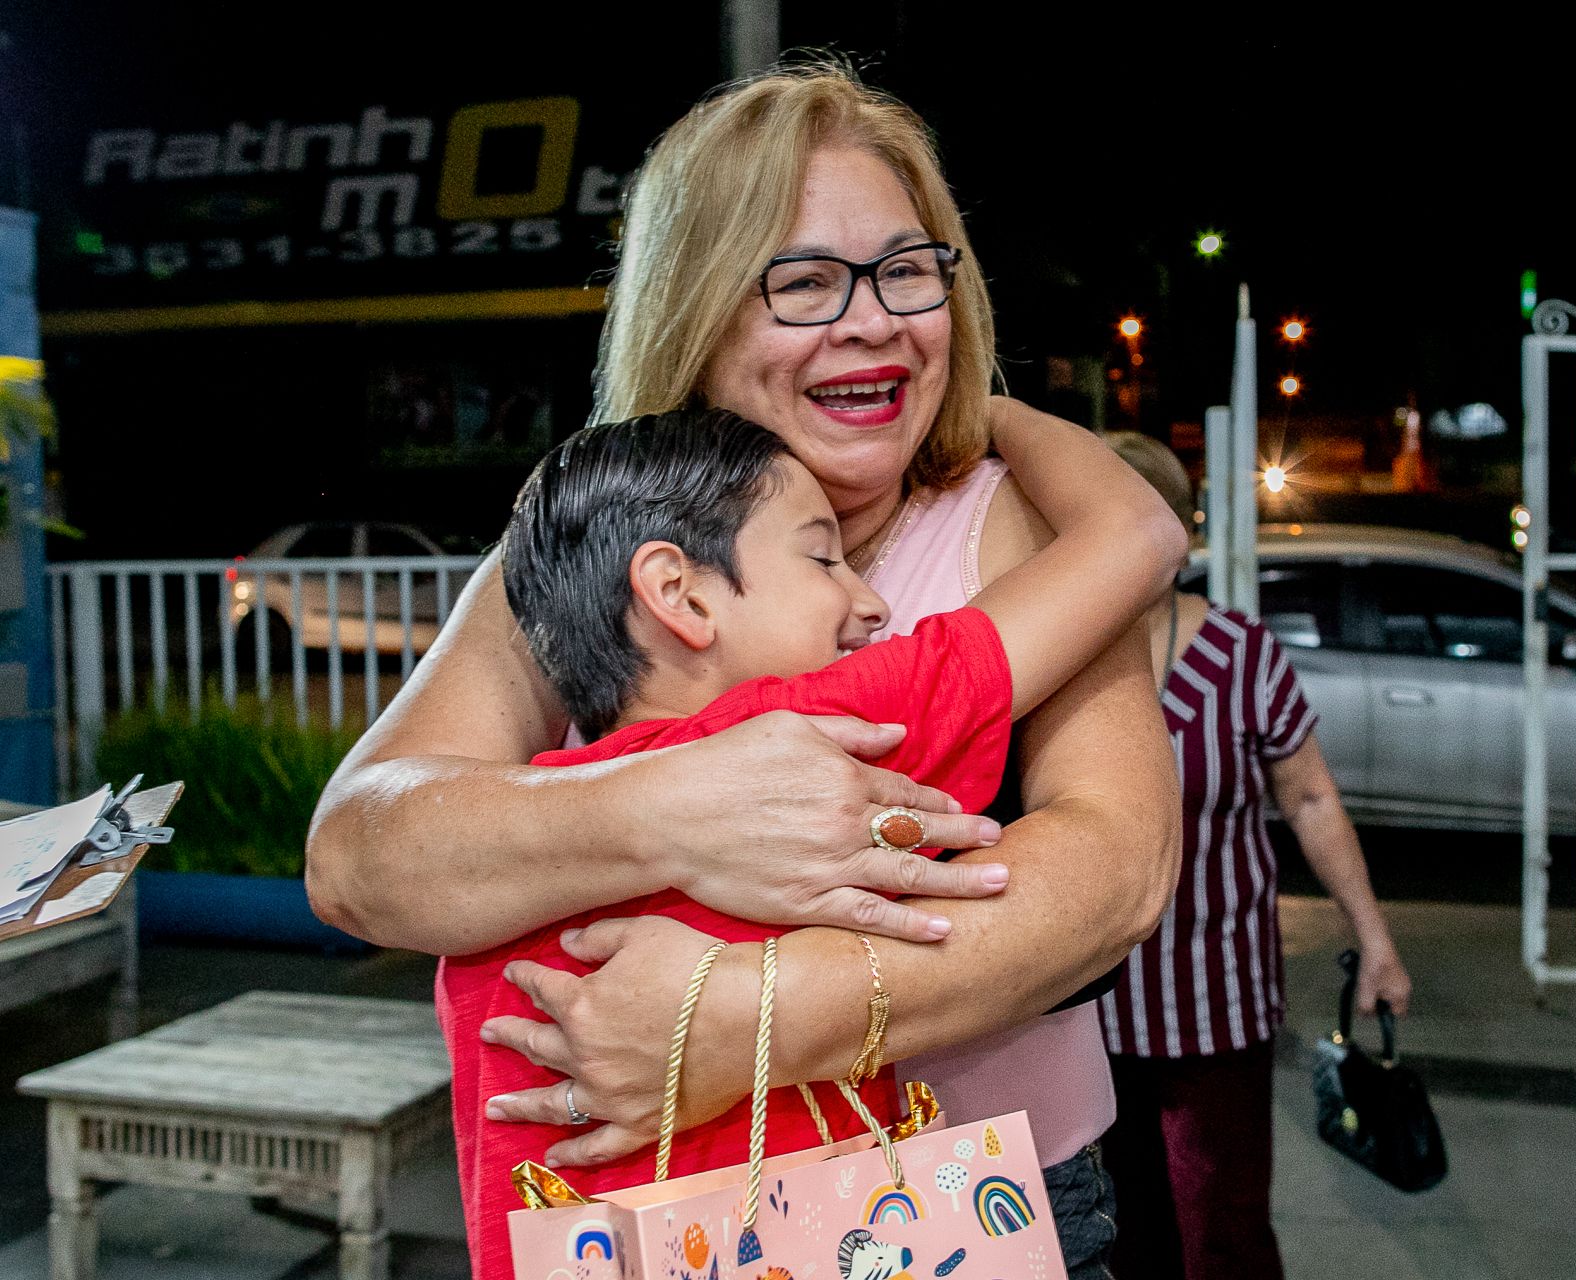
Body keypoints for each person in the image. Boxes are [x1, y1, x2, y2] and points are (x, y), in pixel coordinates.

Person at [306, 63, 1189, 1278]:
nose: (873, 320)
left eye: (905, 271)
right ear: (696, 308)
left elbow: (1115, 869)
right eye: (807, 282)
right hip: (643, 1234)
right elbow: (362, 854)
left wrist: (746, 1014)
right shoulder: (594, 531)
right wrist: (682, 807)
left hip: (965, 1209)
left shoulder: (1015, 521)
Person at [445, 406, 1174, 1278]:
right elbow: (1137, 533)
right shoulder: (817, 731)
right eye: (822, 557)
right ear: (680, 594)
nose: (870, 602)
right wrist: (981, 407)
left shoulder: (490, 864)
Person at [1093, 432, 1413, 1280]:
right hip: (1088, 999)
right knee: (1122, 1230)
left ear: (1170, 535)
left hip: (1216, 997)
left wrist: (1373, 938)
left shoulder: (1239, 654)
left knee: (1222, 1227)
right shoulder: (1061, 657)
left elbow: (1309, 798)